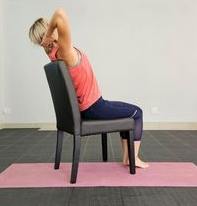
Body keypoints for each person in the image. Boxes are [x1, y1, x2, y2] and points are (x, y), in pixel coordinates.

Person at [29, 9, 149, 168]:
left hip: (91, 105)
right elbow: (60, 14)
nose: (54, 27)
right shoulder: (64, 50)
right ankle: (134, 158)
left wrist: (49, 36)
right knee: (137, 113)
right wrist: (50, 33)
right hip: (94, 106)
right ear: (48, 31)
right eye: (50, 26)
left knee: (126, 112)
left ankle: (128, 157)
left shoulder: (53, 53)